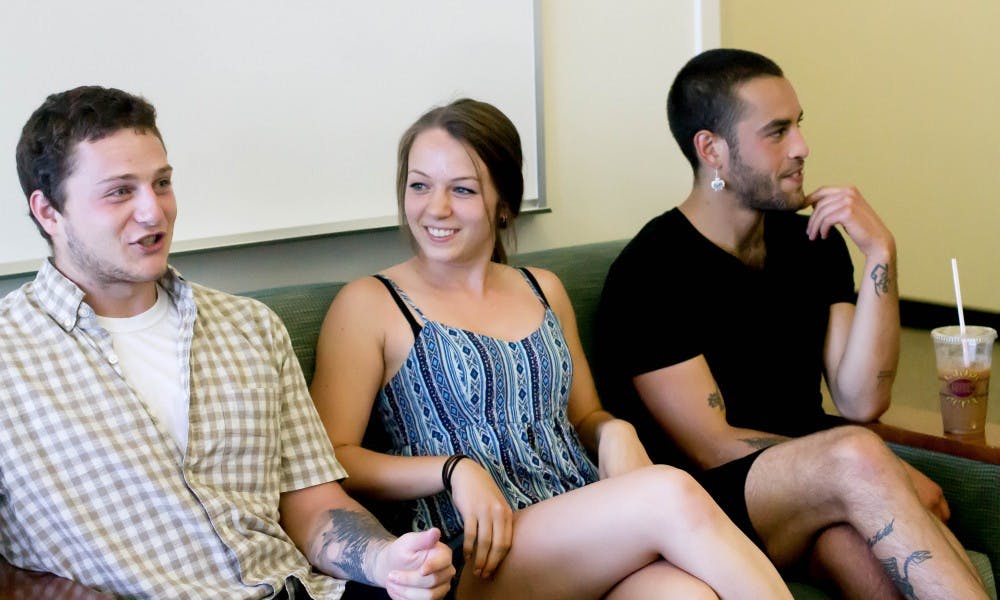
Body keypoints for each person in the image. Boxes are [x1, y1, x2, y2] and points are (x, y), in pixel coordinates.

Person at [310, 98, 792, 599]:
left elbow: (585, 417)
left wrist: (614, 430)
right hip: (477, 553)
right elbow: (331, 460)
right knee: (668, 491)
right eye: (419, 186)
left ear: (505, 204)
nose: (436, 208)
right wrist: (454, 469)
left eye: (463, 190)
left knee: (688, 596)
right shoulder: (370, 303)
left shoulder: (543, 289)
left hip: (588, 531)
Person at [0, 86, 454, 599]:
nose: (155, 212)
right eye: (120, 191)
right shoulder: (10, 355)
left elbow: (310, 503)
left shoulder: (250, 326)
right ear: (48, 213)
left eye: (162, 183)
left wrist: (386, 560)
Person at [594, 48, 988, 599]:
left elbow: (860, 400)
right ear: (712, 150)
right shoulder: (650, 272)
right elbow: (712, 445)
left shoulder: (812, 245)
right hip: (702, 501)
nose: (802, 147)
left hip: (798, 497)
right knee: (859, 457)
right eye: (776, 132)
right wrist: (858, 470)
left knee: (857, 543)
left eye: (798, 125)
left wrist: (880, 253)